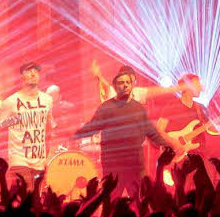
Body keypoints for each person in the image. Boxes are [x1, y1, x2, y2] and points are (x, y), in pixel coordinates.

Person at [73, 66, 180, 194]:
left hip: (135, 161)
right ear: (116, 85)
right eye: (121, 82)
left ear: (132, 83)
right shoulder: (108, 101)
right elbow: (93, 125)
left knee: (140, 197)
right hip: (114, 161)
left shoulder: (138, 102)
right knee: (113, 197)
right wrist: (98, 75)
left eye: (128, 82)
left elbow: (151, 130)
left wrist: (165, 145)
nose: (125, 85)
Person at [0, 62, 54, 182]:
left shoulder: (47, 100)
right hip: (19, 157)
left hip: (39, 159)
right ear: (21, 77)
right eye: (29, 71)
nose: (33, 74)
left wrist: (50, 152)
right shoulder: (10, 102)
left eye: (36, 71)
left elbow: (49, 127)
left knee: (35, 196)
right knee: (26, 191)